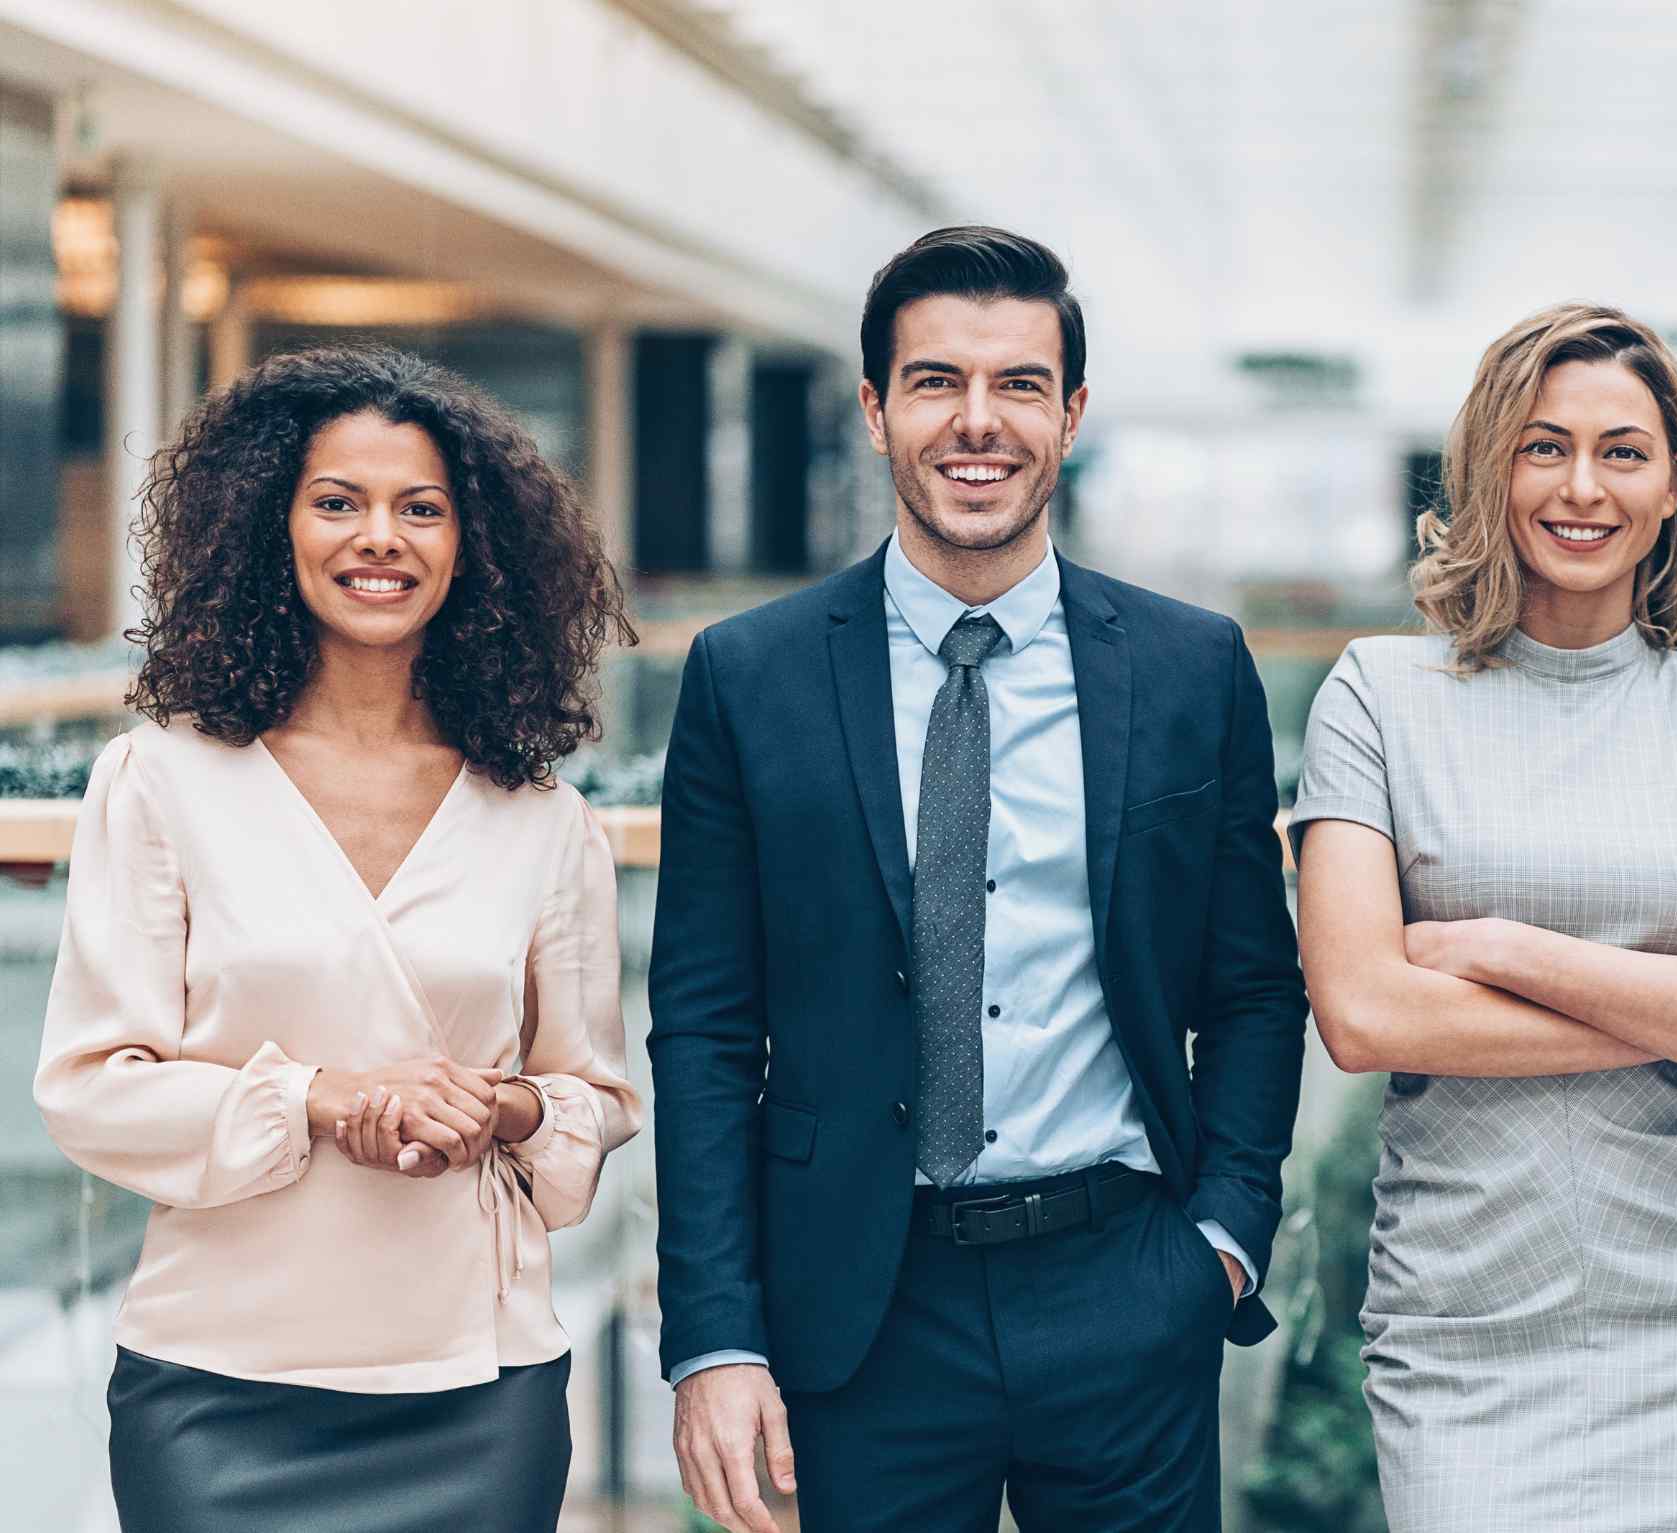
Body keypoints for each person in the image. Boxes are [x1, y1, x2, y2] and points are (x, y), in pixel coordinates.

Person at [649, 226, 1307, 1533]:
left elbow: (1251, 987)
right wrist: (714, 1334)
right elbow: (707, 1030)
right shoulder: (749, 675)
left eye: (1018, 384)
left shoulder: (1190, 669)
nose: (977, 422)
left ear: (1070, 415)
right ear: (874, 409)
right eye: (936, 381)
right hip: (858, 1303)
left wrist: (1222, 1243)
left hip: (1126, 1282)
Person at [34, 345, 644, 1533]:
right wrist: (318, 1099)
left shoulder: (540, 815)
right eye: (337, 503)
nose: (380, 538)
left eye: (421, 509)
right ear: (273, 527)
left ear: (472, 546)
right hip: (217, 1382)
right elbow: (91, 1087)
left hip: (477, 1386)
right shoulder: (159, 782)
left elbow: (593, 1095)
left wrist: (497, 1108)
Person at [1292, 303, 1677, 1532]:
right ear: (1490, 467)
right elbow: (1366, 1016)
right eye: (1544, 447)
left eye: (1623, 452)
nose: (1582, 487)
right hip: (1459, 1321)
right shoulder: (1376, 696)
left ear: (1674, 485)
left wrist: (1491, 950)